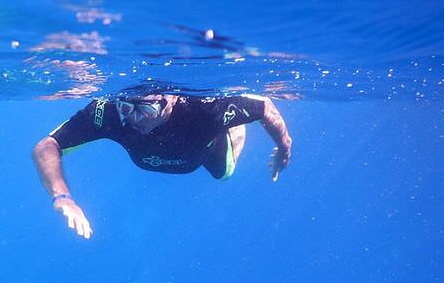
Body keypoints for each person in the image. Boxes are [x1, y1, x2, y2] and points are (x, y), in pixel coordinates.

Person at [32, 89, 293, 239]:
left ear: (171, 99)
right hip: (162, 157)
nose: (135, 119)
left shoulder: (205, 107)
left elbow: (264, 107)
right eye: (126, 108)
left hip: (205, 148)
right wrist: (62, 197)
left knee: (224, 173)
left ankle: (230, 128)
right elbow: (46, 146)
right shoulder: (109, 111)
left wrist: (284, 145)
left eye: (146, 109)